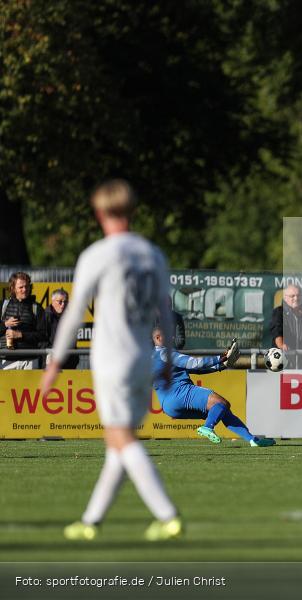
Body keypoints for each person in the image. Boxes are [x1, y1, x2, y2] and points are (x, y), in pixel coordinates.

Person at [40, 179, 183, 542]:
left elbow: (73, 314)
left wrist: (54, 364)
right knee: (119, 444)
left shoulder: (98, 255)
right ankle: (91, 522)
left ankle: (168, 515)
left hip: (112, 358)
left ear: (99, 213)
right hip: (143, 357)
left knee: (122, 440)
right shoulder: (153, 254)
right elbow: (166, 314)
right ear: (132, 210)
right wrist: (167, 358)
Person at [151, 328, 274, 447]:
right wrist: (219, 358)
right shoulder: (164, 353)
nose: (172, 337)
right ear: (158, 338)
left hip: (168, 406)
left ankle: (253, 440)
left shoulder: (153, 358)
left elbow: (196, 370)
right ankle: (207, 427)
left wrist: (221, 365)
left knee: (222, 411)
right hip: (179, 392)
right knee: (222, 403)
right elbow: (194, 363)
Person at [1, 271, 48, 369]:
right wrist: (5, 324)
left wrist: (21, 335)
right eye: (21, 287)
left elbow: (43, 335)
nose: (25, 289)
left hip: (30, 360)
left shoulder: (37, 308)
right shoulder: (2, 305)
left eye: (27, 286)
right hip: (6, 360)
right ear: (12, 288)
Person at [41, 288, 80, 369]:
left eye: (65, 302)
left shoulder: (71, 317)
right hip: (51, 359)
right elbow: (42, 339)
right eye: (60, 302)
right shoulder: (45, 316)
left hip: (69, 360)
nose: (63, 304)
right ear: (53, 301)